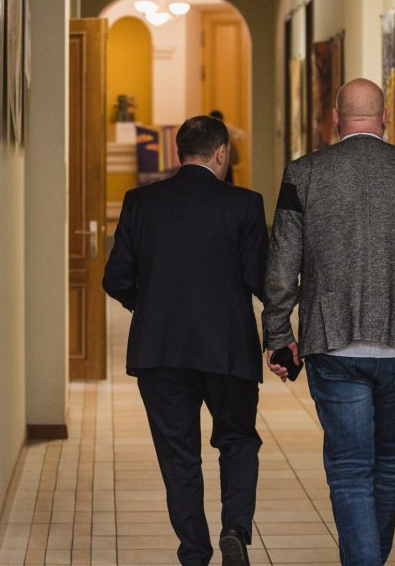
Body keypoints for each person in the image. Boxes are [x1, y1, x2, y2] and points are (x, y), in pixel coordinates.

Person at [262, 78, 395, 566]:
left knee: (350, 469)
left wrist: (278, 334)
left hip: (333, 343)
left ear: (335, 118)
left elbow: (282, 264)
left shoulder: (303, 173)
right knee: (390, 463)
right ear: (385, 117)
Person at [103, 115, 268, 566]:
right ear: (221, 153)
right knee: (238, 440)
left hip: (159, 350)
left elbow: (116, 279)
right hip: (227, 349)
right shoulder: (244, 204)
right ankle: (234, 528)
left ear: (179, 153)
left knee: (179, 456)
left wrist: (150, 305)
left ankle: (194, 552)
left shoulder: (140, 202)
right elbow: (260, 280)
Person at [209, 110, 243, 184]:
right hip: (213, 167)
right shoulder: (206, 133)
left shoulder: (227, 131)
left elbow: (241, 135)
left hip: (226, 168)